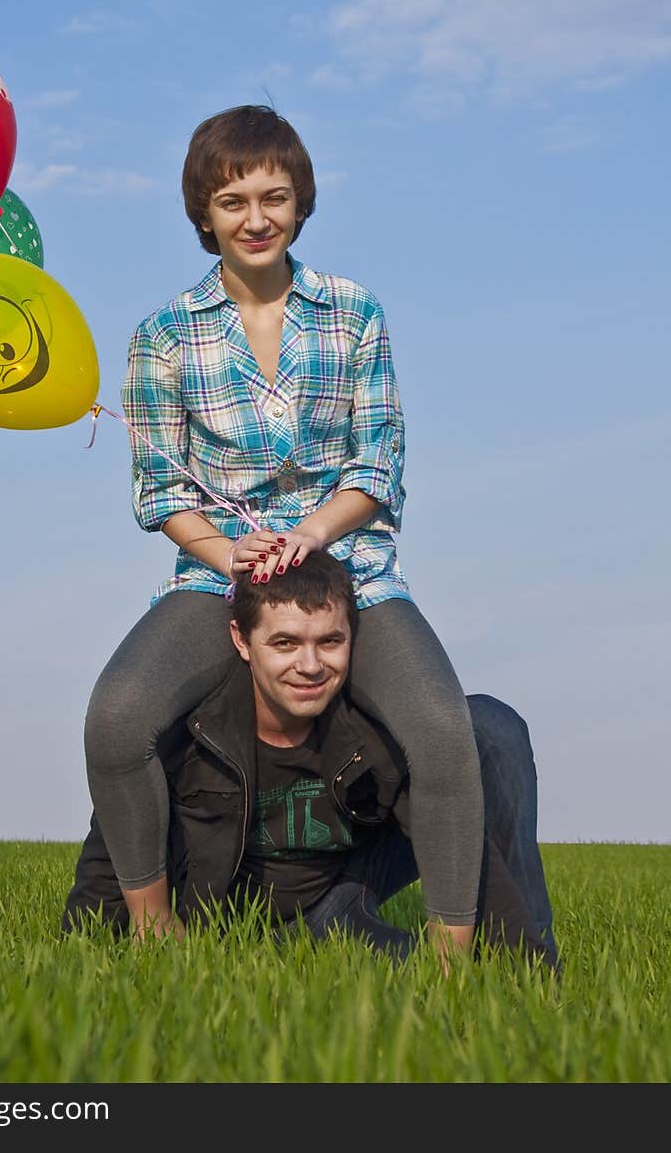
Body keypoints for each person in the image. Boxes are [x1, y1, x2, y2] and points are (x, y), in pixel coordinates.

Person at [82, 104, 485, 957]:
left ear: (301, 200)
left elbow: (378, 467)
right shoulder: (161, 336)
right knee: (116, 720)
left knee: (447, 732)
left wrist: (307, 536)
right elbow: (158, 489)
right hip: (219, 575)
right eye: (232, 202)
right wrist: (232, 554)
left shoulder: (354, 312)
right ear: (203, 213)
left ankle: (458, 973)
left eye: (274, 196)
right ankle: (158, 942)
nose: (256, 218)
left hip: (352, 565)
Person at [65, 553, 558, 970]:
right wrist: (93, 946)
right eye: (284, 643)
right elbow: (116, 842)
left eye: (329, 641)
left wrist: (524, 969)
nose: (309, 665)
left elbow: (456, 834)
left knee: (488, 725)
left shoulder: (377, 729)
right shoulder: (190, 731)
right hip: (233, 929)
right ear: (243, 641)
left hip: (338, 897)